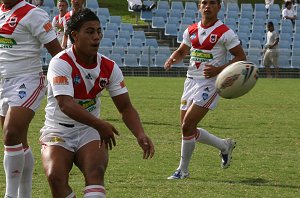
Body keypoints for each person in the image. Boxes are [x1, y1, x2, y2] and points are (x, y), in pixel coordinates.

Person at [39, 8, 155, 197]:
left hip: (89, 131)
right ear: (74, 35)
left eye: (99, 31)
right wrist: (99, 124)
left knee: (95, 173)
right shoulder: (60, 62)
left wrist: (140, 134)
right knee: (55, 177)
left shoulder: (109, 66)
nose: (97, 37)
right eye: (90, 32)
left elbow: (125, 107)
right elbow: (65, 104)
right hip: (58, 129)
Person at [164, 0, 246, 180]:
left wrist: (218, 70)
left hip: (210, 84)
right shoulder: (191, 30)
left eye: (212, 3)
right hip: (190, 81)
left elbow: (241, 57)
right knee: (187, 129)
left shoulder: (225, 32)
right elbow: (182, 50)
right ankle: (224, 146)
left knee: (187, 126)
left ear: (218, 7)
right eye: (204, 3)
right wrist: (172, 58)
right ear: (199, 7)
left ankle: (182, 170)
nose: (207, 6)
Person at [0, 0, 63, 197]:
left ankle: (10, 195)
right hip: (3, 83)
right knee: (19, 141)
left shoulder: (34, 14)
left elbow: (57, 52)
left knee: (10, 134)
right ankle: (24, 194)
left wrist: (65, 82)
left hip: (27, 81)